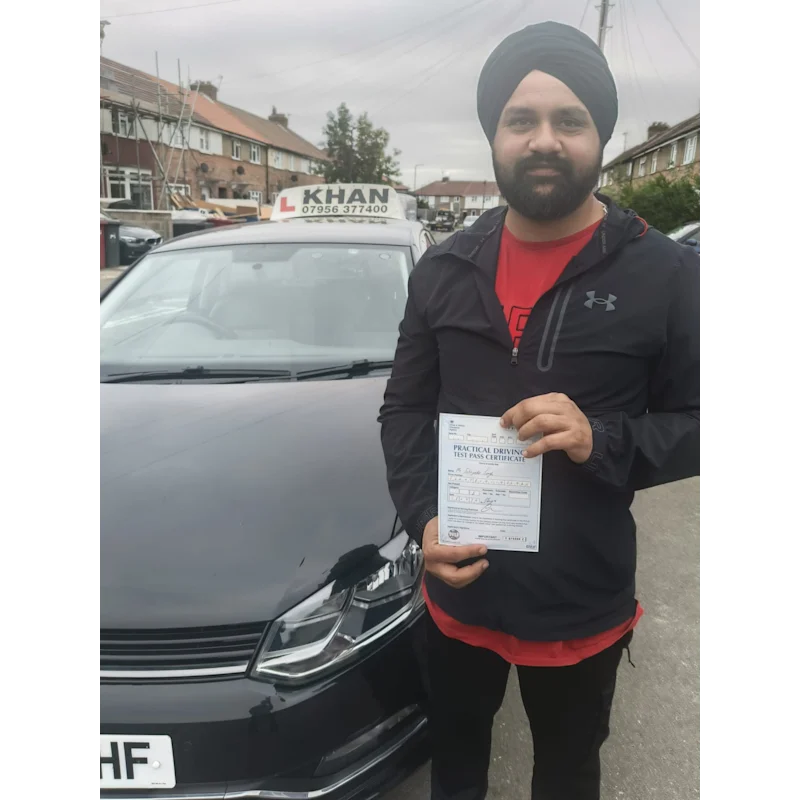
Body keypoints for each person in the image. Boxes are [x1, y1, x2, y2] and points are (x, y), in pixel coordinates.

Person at [378, 20, 702, 800]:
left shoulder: (668, 274)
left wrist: (603, 438)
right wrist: (424, 520)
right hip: (459, 596)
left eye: (570, 120)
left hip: (580, 604)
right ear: (495, 135)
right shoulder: (444, 269)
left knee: (566, 776)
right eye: (521, 121)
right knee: (456, 772)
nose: (544, 140)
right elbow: (403, 411)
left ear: (600, 136)